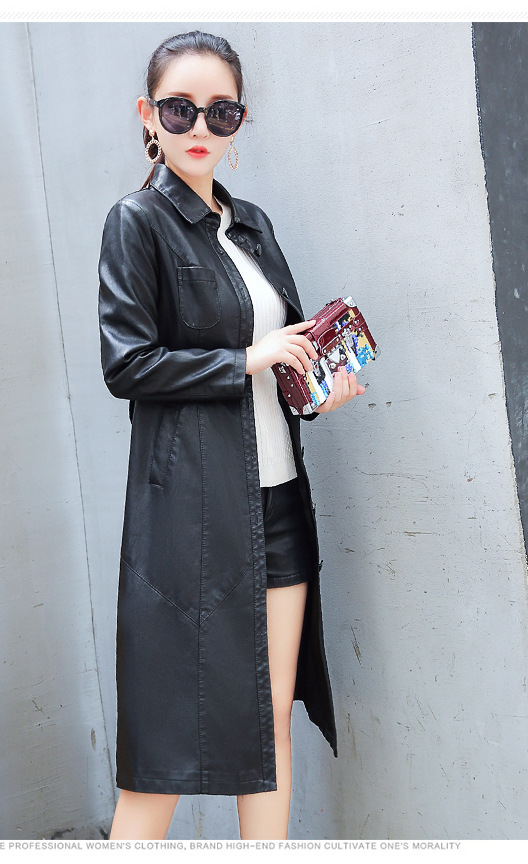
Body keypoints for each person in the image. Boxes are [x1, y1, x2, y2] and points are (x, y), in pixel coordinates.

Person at [98, 30, 365, 841]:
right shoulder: (136, 222)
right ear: (148, 115)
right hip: (192, 515)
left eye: (221, 111)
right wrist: (247, 358)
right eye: (180, 108)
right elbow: (127, 364)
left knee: (269, 727)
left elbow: (280, 360)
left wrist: (315, 389)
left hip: (277, 505)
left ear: (240, 120)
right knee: (164, 755)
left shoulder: (251, 225)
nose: (200, 126)